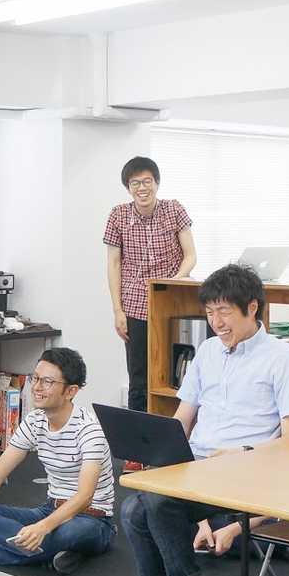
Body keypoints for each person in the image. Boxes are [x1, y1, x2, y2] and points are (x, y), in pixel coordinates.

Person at [114, 263, 289, 576]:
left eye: (224, 312)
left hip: (246, 471)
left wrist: (242, 453)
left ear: (252, 308)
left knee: (150, 505)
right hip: (197, 466)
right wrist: (159, 452)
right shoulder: (207, 351)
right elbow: (183, 418)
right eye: (210, 312)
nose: (216, 322)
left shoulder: (283, 357)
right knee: (133, 508)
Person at [0, 348, 116, 576]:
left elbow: (85, 497)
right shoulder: (34, 421)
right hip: (49, 509)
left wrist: (43, 528)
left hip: (93, 519)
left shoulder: (89, 430)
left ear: (70, 391)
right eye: (35, 378)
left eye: (47, 382)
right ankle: (53, 551)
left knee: (69, 533)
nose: (36, 386)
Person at [104, 155, 196, 419]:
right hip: (136, 305)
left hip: (174, 303)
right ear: (128, 188)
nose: (142, 188)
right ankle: (138, 440)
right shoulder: (118, 215)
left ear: (157, 183)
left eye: (147, 181)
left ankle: (178, 428)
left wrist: (173, 282)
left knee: (177, 373)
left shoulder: (174, 209)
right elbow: (114, 264)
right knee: (139, 377)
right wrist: (118, 311)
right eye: (135, 183)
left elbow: (190, 255)